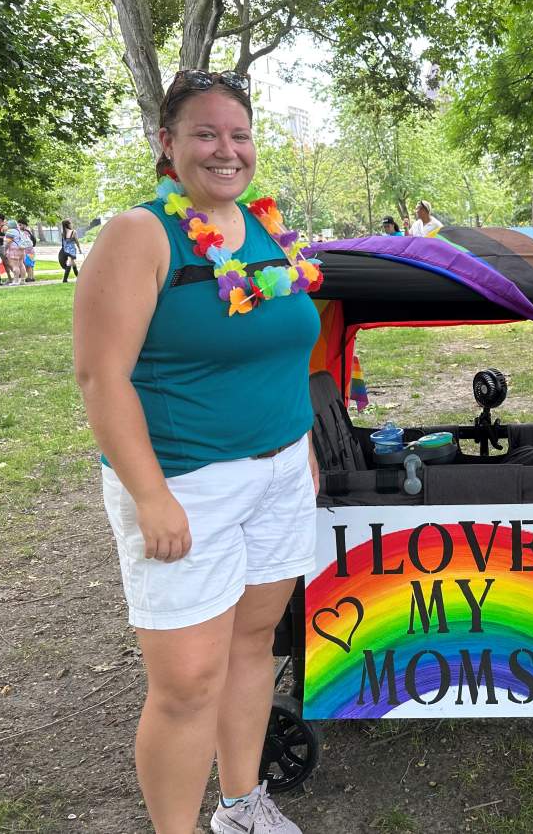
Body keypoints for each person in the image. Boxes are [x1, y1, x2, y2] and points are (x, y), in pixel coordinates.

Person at [73, 69, 321, 834]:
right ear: (167, 142)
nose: (226, 150)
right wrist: (150, 495)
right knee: (187, 684)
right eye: (206, 133)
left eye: (239, 134)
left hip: (281, 474)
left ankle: (242, 807)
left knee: (253, 646)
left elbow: (286, 350)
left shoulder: (267, 229)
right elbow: (101, 375)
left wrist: (302, 447)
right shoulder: (139, 234)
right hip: (185, 483)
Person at [1, 220, 26, 285]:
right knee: (21, 265)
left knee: (15, 266)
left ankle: (16, 281)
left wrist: (5, 250)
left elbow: (8, 242)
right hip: (21, 250)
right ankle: (22, 280)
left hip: (13, 250)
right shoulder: (19, 231)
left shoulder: (10, 231)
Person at [18, 217, 37, 282]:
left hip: (28, 251)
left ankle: (29, 277)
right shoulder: (28, 232)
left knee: (28, 265)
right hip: (31, 251)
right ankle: (32, 277)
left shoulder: (25, 232)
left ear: (24, 225)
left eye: (20, 225)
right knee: (30, 264)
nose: (19, 226)